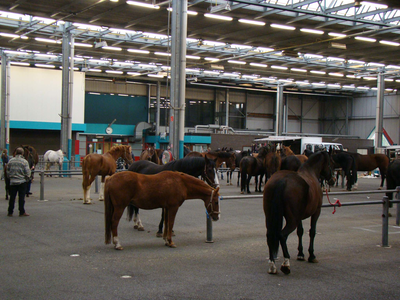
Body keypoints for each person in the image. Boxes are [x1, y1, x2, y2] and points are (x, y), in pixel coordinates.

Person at [7, 147, 31, 217]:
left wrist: (10, 177)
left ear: (16, 152)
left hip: (13, 182)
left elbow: (7, 171)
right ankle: (21, 211)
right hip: (22, 182)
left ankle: (10, 212)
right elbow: (27, 172)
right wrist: (27, 178)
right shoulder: (24, 162)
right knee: (21, 198)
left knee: (12, 197)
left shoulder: (11, 161)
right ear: (22, 153)